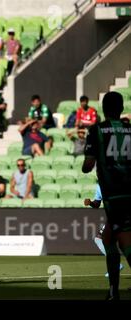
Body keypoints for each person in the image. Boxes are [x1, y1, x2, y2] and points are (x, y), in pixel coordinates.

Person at [82, 91, 131, 300]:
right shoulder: (129, 129)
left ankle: (113, 292)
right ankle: (113, 291)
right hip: (129, 191)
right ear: (121, 109)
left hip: (114, 194)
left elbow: (88, 165)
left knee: (122, 242)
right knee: (109, 238)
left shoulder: (97, 130)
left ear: (103, 108)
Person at [84, 185, 125, 278]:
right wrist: (90, 203)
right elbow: (97, 204)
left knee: (100, 239)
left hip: (119, 216)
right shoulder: (99, 186)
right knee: (101, 239)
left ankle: (116, 266)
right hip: (114, 217)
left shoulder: (118, 181)